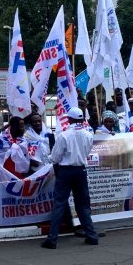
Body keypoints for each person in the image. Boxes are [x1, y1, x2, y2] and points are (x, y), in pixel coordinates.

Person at [42, 107, 98, 249]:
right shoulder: (88, 134)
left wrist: (46, 158)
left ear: (70, 119)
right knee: (83, 204)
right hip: (80, 170)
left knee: (59, 203)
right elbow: (87, 152)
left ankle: (52, 239)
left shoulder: (64, 135)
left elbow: (55, 157)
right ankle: (91, 235)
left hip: (65, 171)